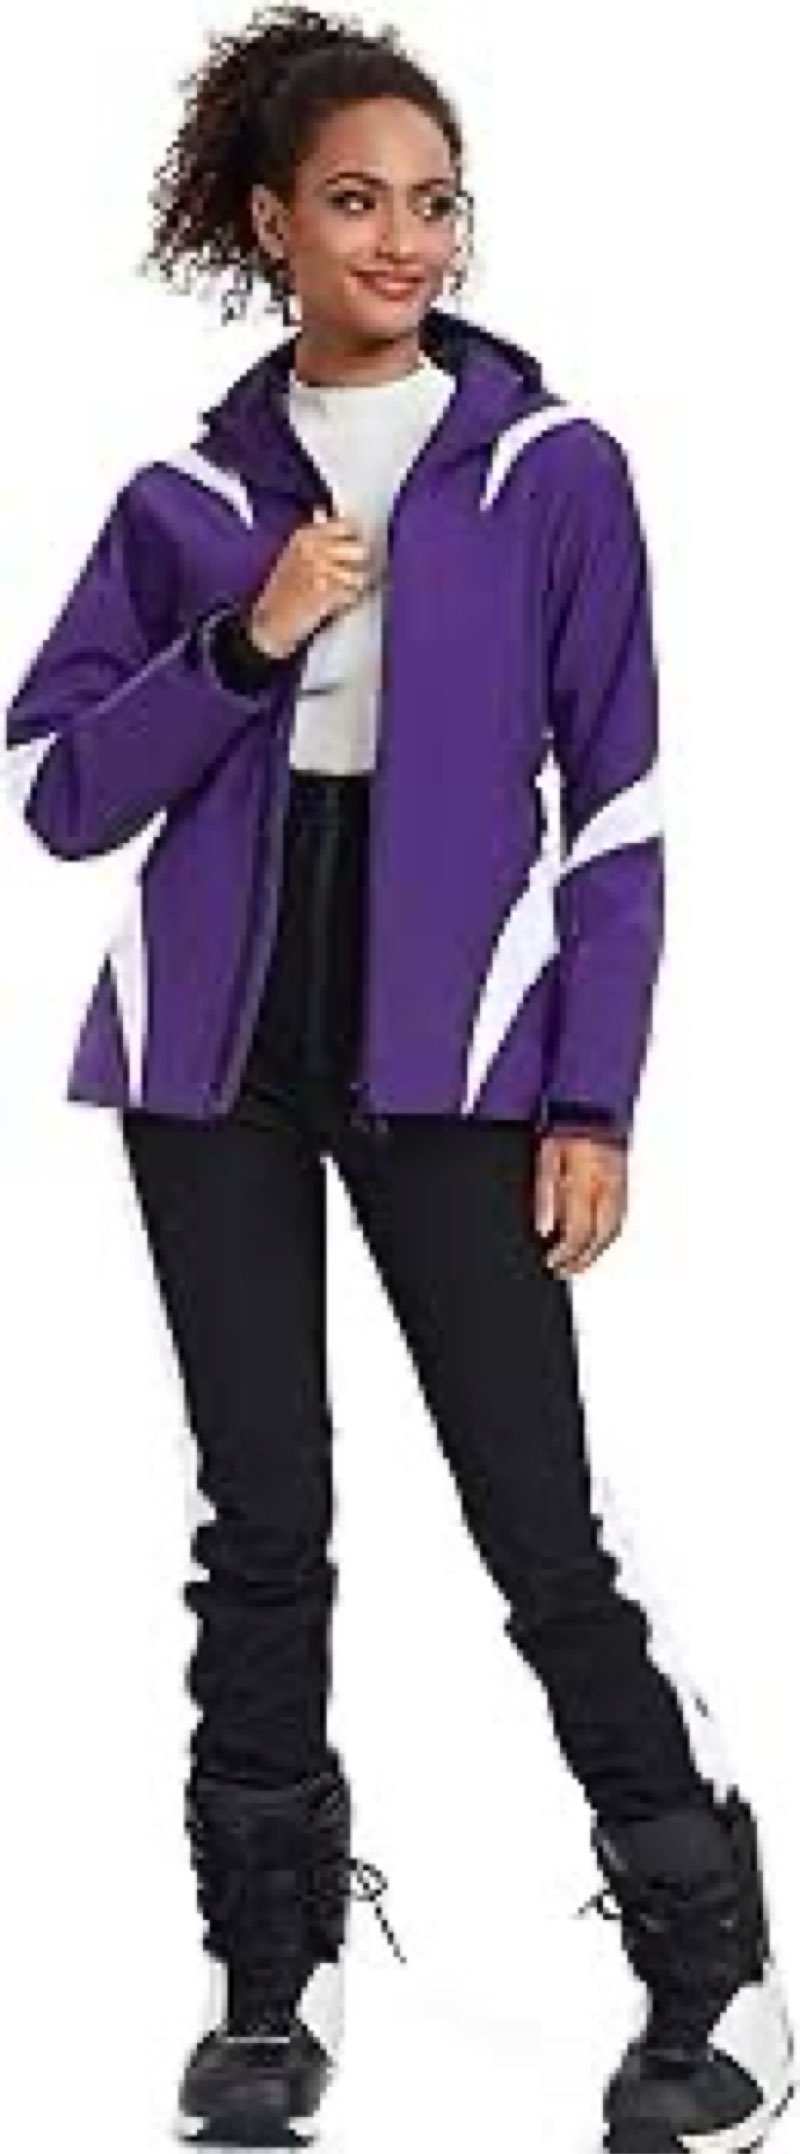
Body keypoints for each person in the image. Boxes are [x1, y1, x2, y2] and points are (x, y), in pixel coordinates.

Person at [4, 5, 795, 2148]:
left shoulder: (552, 472)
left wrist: (593, 1095)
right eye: (355, 201)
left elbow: (619, 804)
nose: (404, 239)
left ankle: (710, 1961)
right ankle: (268, 1982)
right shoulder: (188, 498)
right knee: (259, 1522)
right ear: (271, 222)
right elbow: (62, 792)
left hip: (457, 1052)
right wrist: (247, 635)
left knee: (537, 1517)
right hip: (213, 1058)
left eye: (434, 202)